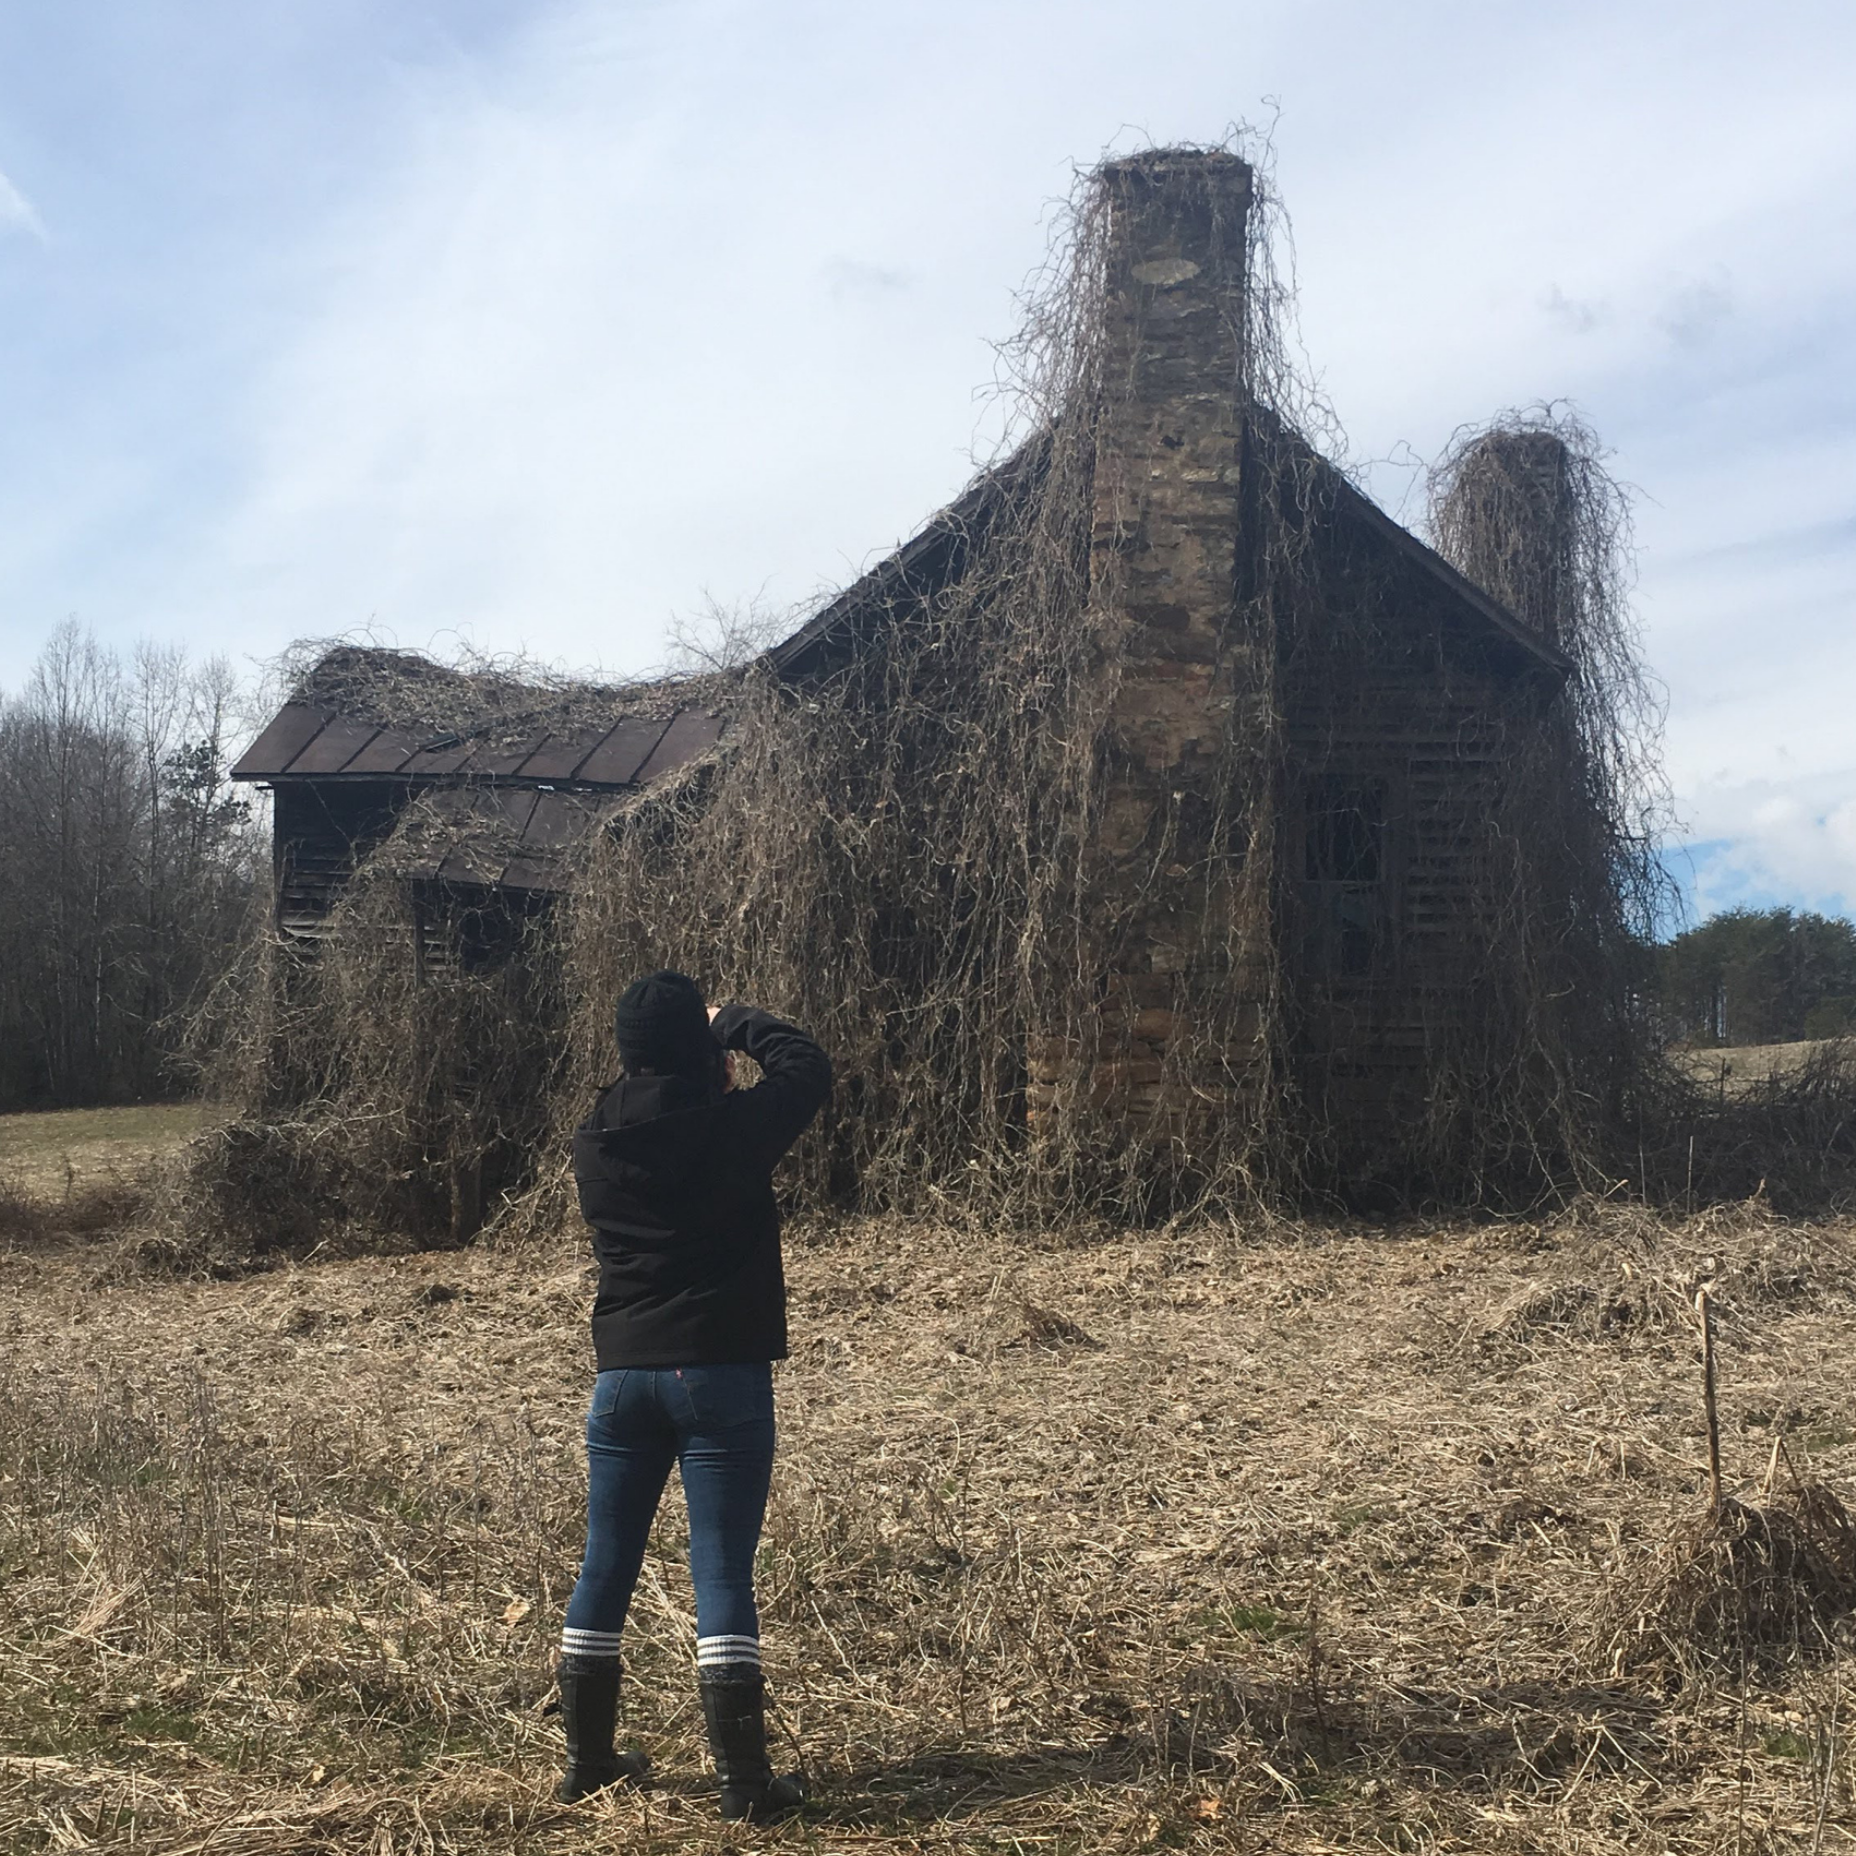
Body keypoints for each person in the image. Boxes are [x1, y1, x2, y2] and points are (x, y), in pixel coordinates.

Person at [555, 969, 832, 1821]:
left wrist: (692, 1041)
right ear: (699, 1048)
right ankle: (745, 1787)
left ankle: (589, 1762)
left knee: (606, 1564)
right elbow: (806, 1067)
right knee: (719, 1571)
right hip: (717, 1375)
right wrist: (733, 1020)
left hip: (621, 1380)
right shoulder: (728, 1131)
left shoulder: (593, 1139)